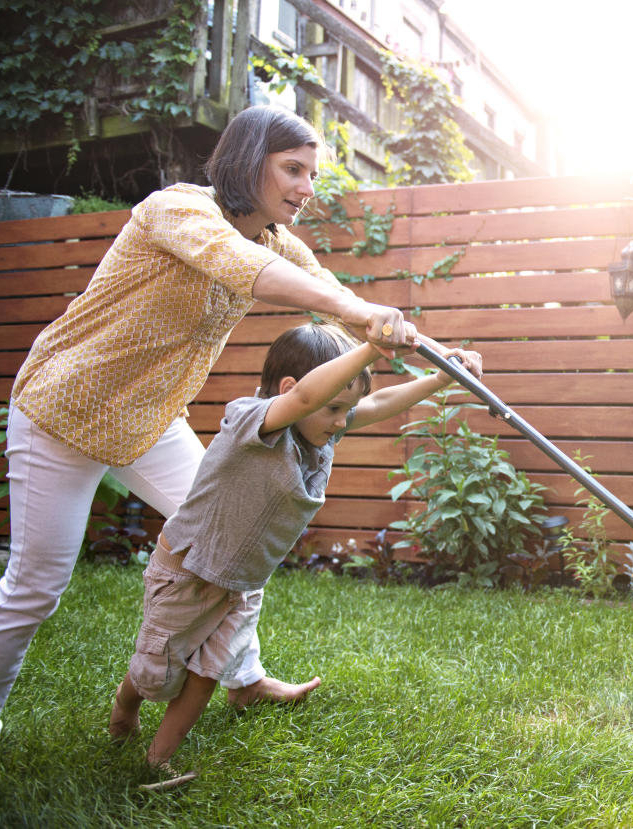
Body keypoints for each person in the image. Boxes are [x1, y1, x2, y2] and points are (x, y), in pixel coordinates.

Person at [0, 105, 460, 775]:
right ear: (249, 162)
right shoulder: (176, 210)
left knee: (239, 528)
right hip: (63, 411)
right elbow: (244, 268)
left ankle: (242, 678)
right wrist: (357, 313)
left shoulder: (273, 239)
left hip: (148, 420)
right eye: (292, 169)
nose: (306, 186)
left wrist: (422, 344)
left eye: (313, 174)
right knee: (37, 583)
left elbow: (325, 290)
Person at [107, 323, 480, 786]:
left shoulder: (319, 429)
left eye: (347, 409)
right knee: (158, 669)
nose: (343, 420)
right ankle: (125, 708)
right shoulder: (253, 420)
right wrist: (369, 349)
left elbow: (377, 404)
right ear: (292, 388)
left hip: (241, 581)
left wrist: (441, 380)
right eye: (336, 407)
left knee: (207, 672)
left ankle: (159, 757)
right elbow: (306, 400)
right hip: (189, 572)